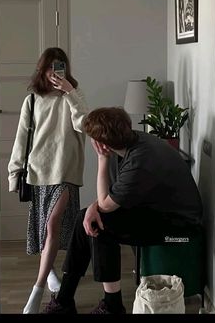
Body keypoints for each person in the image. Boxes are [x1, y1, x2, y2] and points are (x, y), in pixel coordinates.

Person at [42, 107, 203, 315]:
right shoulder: (134, 142)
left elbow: (107, 205)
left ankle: (113, 306)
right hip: (156, 212)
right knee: (86, 216)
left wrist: (101, 161)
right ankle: (64, 300)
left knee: (99, 224)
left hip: (178, 225)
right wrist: (94, 207)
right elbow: (110, 196)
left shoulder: (139, 160)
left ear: (101, 144)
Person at [8, 47, 88, 314]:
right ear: (42, 70)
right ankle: (50, 271)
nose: (56, 72)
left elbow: (85, 124)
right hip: (38, 172)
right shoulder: (31, 100)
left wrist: (70, 92)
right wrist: (14, 172)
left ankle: (37, 289)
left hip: (65, 172)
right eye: (51, 67)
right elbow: (21, 139)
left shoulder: (73, 96)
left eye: (61, 66)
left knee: (53, 226)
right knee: (45, 232)